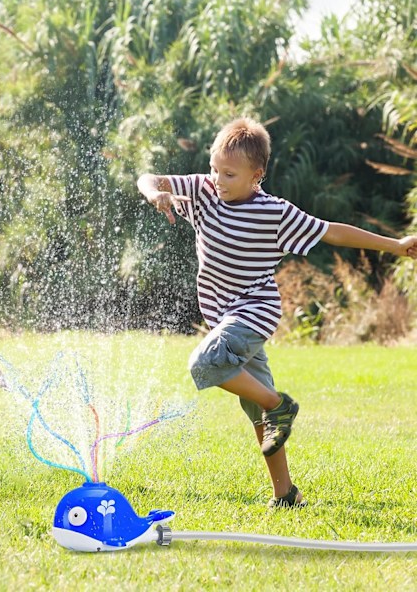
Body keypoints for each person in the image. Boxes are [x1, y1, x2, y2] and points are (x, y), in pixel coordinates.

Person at [137, 117, 417, 508]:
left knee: (205, 363)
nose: (218, 179)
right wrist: (155, 194)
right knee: (258, 414)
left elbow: (333, 231)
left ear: (257, 175)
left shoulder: (275, 214)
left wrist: (395, 244)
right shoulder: (203, 191)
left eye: (229, 174)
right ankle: (286, 494)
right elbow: (148, 178)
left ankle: (279, 404)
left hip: (254, 312)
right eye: (216, 168)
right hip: (224, 317)